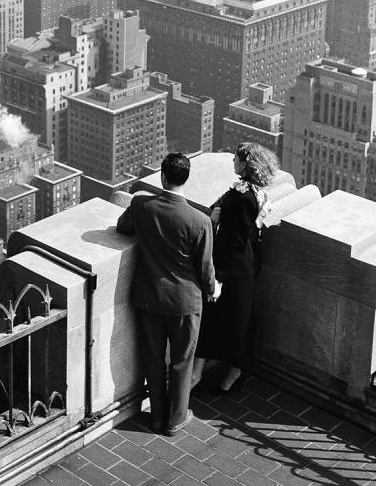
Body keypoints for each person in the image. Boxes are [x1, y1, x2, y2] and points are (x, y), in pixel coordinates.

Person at [117, 151, 216, 435]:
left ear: (162, 176)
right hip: (185, 302)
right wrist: (213, 289)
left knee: (153, 357)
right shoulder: (200, 221)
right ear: (187, 179)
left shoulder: (141, 205)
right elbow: (206, 268)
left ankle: (157, 416)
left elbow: (123, 227)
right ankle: (176, 419)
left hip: (149, 297)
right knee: (182, 361)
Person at [191, 141, 279, 394]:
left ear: (246, 164)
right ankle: (222, 371)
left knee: (229, 323)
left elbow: (237, 241)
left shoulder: (243, 198)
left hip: (233, 270)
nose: (232, 162)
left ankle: (231, 371)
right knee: (228, 322)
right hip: (239, 268)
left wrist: (219, 275)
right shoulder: (248, 192)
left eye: (236, 159)